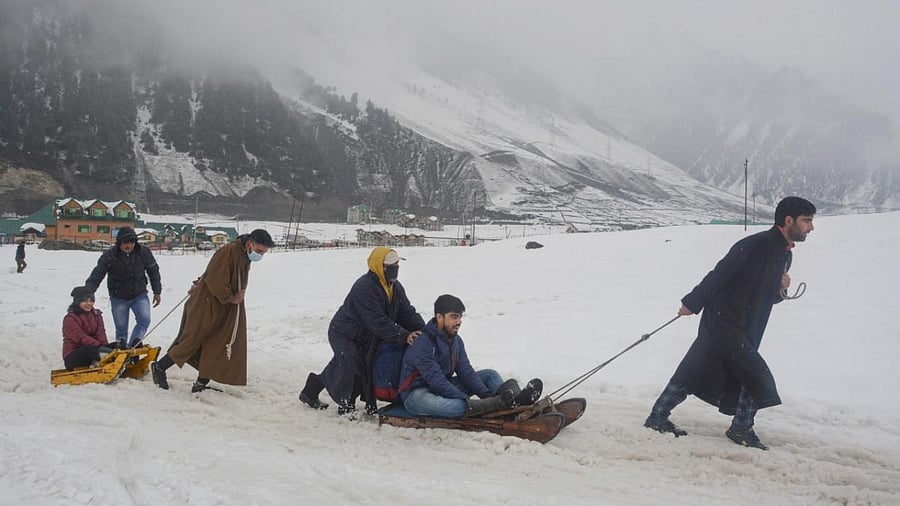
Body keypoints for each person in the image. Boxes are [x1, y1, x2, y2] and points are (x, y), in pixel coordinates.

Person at [644, 196, 816, 450]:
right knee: (756, 376)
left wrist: (780, 291)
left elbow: (766, 297)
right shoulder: (755, 245)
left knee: (695, 367)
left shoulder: (784, 255)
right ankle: (741, 428)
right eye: (807, 221)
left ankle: (658, 415)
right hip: (723, 321)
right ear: (788, 220)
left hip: (747, 325)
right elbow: (720, 275)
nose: (811, 227)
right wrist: (692, 302)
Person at [298, 247, 425, 416]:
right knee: (353, 367)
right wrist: (404, 335)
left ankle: (310, 390)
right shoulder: (365, 287)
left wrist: (424, 331)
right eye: (391, 265)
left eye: (397, 265)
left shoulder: (394, 287)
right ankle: (346, 405)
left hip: (367, 336)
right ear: (380, 266)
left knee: (346, 365)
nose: (395, 269)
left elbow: (407, 312)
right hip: (345, 333)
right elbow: (376, 320)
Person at [150, 229, 274, 392]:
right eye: (259, 251)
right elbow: (216, 276)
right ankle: (160, 367)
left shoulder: (243, 254)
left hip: (225, 306)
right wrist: (229, 297)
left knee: (218, 343)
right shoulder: (229, 251)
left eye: (263, 253)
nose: (260, 255)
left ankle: (201, 383)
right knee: (192, 339)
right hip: (208, 303)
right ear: (250, 243)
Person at [397, 294, 543, 418]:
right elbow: (436, 380)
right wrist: (465, 399)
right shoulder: (422, 343)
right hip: (417, 395)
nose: (459, 322)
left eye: (460, 317)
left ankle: (515, 400)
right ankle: (499, 403)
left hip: (443, 386)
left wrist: (486, 395)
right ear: (439, 317)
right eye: (454, 317)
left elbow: (466, 371)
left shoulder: (456, 341)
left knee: (490, 375)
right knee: (457, 406)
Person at [85, 226, 162, 348]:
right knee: (121, 331)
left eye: (131, 242)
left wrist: (157, 291)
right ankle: (121, 353)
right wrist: (88, 293)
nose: (128, 246)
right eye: (125, 243)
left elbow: (153, 271)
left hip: (139, 294)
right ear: (119, 242)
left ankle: (133, 345)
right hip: (118, 298)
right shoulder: (109, 256)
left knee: (144, 321)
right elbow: (97, 274)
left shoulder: (144, 252)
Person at [62, 286, 111, 370]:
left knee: (117, 346)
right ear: (77, 302)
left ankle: (128, 360)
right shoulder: (70, 319)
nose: (89, 303)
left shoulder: (96, 315)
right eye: (85, 301)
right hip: (73, 356)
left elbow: (101, 333)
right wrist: (99, 347)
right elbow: (81, 337)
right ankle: (105, 359)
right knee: (89, 349)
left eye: (91, 300)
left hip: (95, 350)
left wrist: (107, 347)